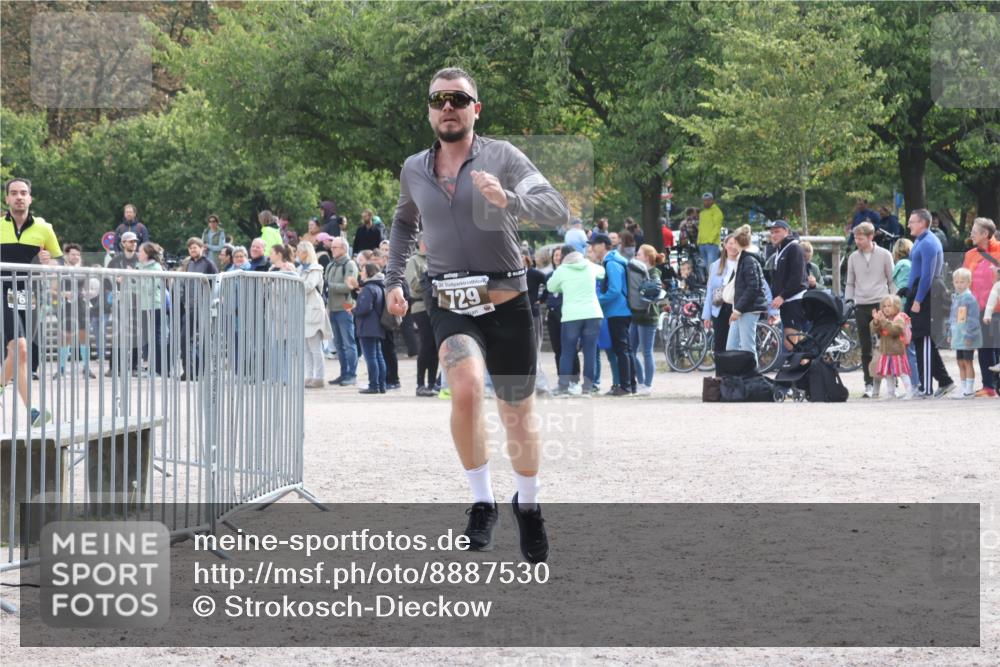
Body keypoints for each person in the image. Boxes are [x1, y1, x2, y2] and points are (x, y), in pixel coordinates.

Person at [383, 67, 568, 563]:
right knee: (464, 390)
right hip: (448, 301)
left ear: (475, 109)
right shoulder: (414, 169)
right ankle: (482, 501)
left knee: (517, 415)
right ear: (428, 110)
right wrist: (393, 279)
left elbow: (557, 209)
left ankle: (527, 506)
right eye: (439, 99)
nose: (448, 106)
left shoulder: (503, 156)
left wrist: (509, 199)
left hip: (506, 300)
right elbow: (403, 224)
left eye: (459, 99)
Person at [1, 178, 61, 425]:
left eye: (23, 193)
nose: (19, 197)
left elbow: (58, 264)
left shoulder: (44, 229)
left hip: (30, 293)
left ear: (30, 198)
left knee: (19, 355)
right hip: (2, 290)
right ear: (6, 199)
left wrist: (49, 263)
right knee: (21, 348)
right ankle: (33, 411)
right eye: (14, 193)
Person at [905, 208, 955, 398]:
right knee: (920, 339)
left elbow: (928, 274)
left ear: (923, 223)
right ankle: (945, 381)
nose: (909, 224)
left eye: (912, 221)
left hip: (927, 294)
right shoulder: (920, 240)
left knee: (924, 339)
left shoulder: (929, 243)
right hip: (917, 292)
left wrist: (918, 299)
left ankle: (926, 386)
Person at [545, 243, 605, 396]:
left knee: (567, 351)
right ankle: (588, 387)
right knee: (590, 351)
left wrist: (563, 287)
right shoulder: (590, 266)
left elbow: (551, 287)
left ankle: (564, 386)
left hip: (572, 315)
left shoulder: (562, 270)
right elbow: (602, 273)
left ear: (564, 257)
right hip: (593, 313)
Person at [844, 222, 895, 398]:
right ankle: (868, 382)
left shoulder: (884, 254)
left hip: (881, 304)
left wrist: (893, 303)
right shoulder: (853, 257)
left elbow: (891, 279)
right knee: (865, 346)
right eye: (856, 237)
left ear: (871, 237)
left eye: (860, 238)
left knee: (886, 344)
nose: (857, 241)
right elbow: (850, 281)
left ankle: (891, 379)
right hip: (861, 304)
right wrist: (849, 301)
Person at [590, 232, 635, 395]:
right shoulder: (614, 260)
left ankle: (624, 387)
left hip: (617, 311)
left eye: (594, 244)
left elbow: (614, 290)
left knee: (621, 350)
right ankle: (631, 384)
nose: (592, 248)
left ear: (603, 245)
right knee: (626, 349)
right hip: (621, 310)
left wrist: (597, 299)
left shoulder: (611, 263)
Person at [961, 217, 1000, 397]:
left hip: (997, 308)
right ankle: (989, 386)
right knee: (984, 347)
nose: (971, 234)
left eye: (974, 232)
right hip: (977, 308)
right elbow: (963, 282)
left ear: (985, 234)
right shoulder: (970, 255)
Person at [725, 225, 768, 364]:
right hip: (743, 308)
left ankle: (753, 378)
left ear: (738, 242)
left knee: (747, 347)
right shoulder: (744, 258)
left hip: (748, 309)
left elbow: (753, 287)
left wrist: (737, 309)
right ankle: (737, 377)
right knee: (731, 346)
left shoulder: (748, 260)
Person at [53, 243, 97, 379]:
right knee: (65, 338)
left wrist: (88, 292)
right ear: (66, 255)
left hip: (82, 306)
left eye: (78, 254)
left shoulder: (84, 270)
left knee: (84, 338)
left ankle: (86, 368)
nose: (76, 257)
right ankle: (60, 369)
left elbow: (91, 290)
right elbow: (52, 290)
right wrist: (64, 294)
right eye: (73, 254)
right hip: (65, 307)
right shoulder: (60, 270)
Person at [767, 220, 808, 354]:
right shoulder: (780, 250)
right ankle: (804, 371)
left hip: (794, 300)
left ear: (787, 231)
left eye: (777, 231)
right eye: (772, 232)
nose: (773, 235)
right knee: (797, 341)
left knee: (790, 342)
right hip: (786, 301)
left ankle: (804, 369)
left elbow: (797, 278)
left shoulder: (794, 248)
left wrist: (782, 296)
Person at [406, 233, 438, 396]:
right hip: (420, 306)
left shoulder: (437, 259)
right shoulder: (414, 261)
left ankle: (432, 383)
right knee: (426, 345)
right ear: (421, 243)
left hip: (437, 306)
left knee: (435, 346)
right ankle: (420, 384)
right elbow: (414, 284)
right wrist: (432, 283)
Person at [298, 241, 333, 389]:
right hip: (303, 311)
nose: (298, 254)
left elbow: (308, 286)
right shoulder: (300, 269)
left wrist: (294, 281)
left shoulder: (315, 269)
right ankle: (309, 375)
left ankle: (319, 377)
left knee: (315, 348)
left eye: (300, 251)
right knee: (306, 349)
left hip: (313, 311)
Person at [630, 244, 663, 395]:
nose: (636, 257)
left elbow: (655, 291)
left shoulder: (653, 272)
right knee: (631, 350)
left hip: (648, 317)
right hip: (636, 315)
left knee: (646, 352)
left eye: (639, 255)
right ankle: (641, 382)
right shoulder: (639, 271)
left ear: (647, 258)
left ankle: (647, 385)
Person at [869, 295, 913, 400]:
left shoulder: (899, 318)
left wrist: (883, 321)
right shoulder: (884, 319)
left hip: (897, 353)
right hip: (886, 352)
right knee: (888, 374)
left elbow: (895, 331)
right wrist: (875, 321)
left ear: (896, 307)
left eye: (889, 306)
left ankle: (909, 392)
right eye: (884, 306)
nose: (886, 308)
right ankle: (891, 393)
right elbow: (873, 330)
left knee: (902, 373)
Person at [948, 268, 982, 399]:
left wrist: (969, 335)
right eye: (956, 282)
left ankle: (969, 389)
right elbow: (952, 317)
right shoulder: (956, 298)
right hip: (957, 336)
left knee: (968, 361)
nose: (959, 284)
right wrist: (950, 334)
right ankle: (962, 389)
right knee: (960, 361)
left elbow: (973, 319)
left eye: (962, 282)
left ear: (969, 282)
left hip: (967, 337)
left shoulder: (970, 299)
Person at [703, 233, 740, 355]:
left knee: (735, 344)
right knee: (720, 343)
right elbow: (710, 291)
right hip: (719, 308)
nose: (733, 246)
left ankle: (733, 373)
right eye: (731, 243)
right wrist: (707, 315)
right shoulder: (715, 265)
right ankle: (720, 373)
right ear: (725, 245)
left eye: (736, 243)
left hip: (737, 308)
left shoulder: (744, 263)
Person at [354, 262, 387, 394]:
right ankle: (381, 385)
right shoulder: (379, 286)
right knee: (378, 356)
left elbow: (365, 308)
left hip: (367, 327)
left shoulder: (368, 288)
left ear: (369, 273)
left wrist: (354, 310)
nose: (360, 273)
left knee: (371, 357)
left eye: (362, 271)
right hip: (377, 326)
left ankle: (374, 385)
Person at [135, 242, 164, 375]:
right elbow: (135, 288)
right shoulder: (138, 266)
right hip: (142, 306)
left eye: (140, 251)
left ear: (147, 253)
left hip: (155, 306)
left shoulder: (156, 267)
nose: (138, 253)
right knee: (145, 338)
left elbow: (149, 288)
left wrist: (135, 278)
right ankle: (148, 366)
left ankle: (158, 368)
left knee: (155, 338)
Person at [697, 192, 724, 269]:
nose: (706, 202)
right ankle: (709, 281)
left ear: (712, 200)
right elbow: (701, 228)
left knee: (712, 267)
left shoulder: (717, 212)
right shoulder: (702, 213)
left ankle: (713, 281)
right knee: (706, 267)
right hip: (702, 243)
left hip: (711, 244)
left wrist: (710, 240)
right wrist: (698, 241)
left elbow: (717, 227)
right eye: (704, 200)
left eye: (708, 200)